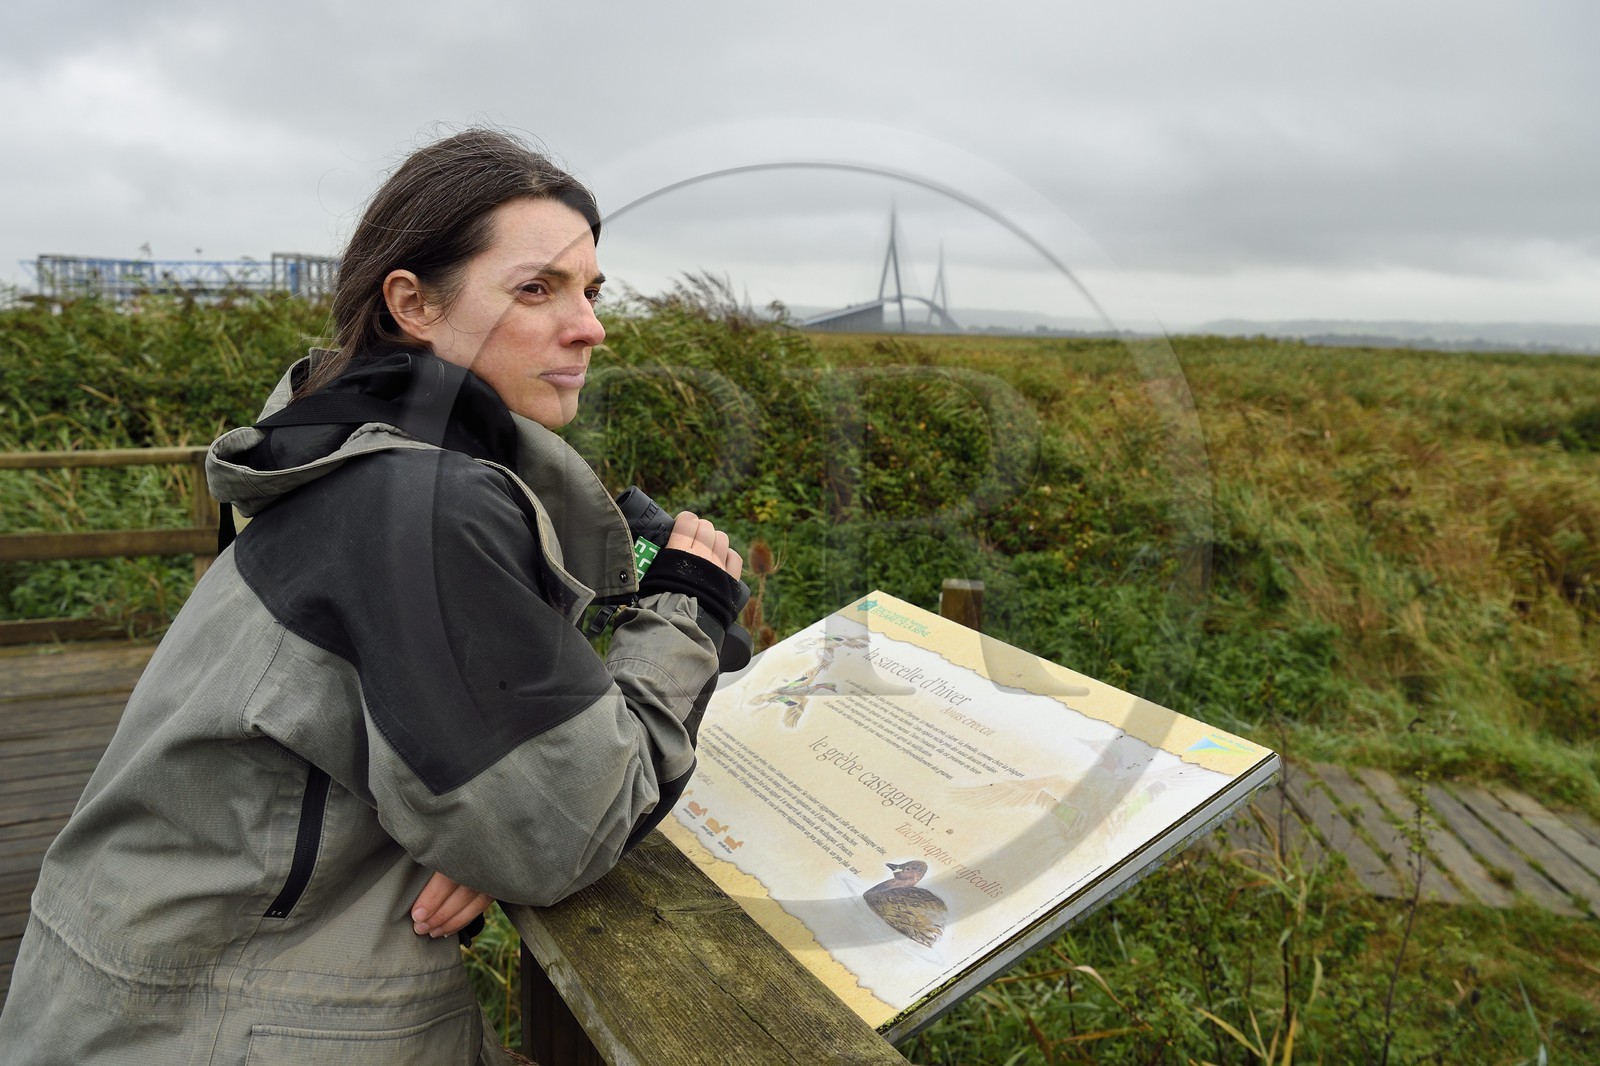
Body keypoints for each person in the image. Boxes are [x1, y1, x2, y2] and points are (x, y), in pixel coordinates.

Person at [0, 129, 743, 1065]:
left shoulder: (336, 442)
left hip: (131, 990)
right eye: (536, 288)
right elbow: (562, 831)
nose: (589, 325)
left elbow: (502, 801)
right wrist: (688, 609)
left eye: (592, 291)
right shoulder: (418, 502)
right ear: (413, 304)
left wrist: (482, 819)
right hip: (214, 1024)